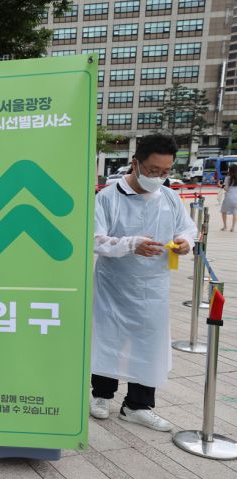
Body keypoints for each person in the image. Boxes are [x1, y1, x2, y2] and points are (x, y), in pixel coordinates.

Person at [90, 134, 197, 431]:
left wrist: (184, 241)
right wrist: (129, 243)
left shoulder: (169, 197)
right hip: (114, 283)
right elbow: (94, 239)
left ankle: (138, 404)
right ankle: (100, 395)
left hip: (153, 286)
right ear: (136, 164)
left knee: (148, 342)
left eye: (165, 172)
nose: (159, 178)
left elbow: (187, 228)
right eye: (153, 171)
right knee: (107, 337)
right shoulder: (108, 197)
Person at [220, 164, 237, 232]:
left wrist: (220, 185)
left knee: (223, 211)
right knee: (235, 212)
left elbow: (226, 188)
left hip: (229, 197)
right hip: (236, 198)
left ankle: (225, 226)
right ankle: (233, 227)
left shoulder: (227, 178)